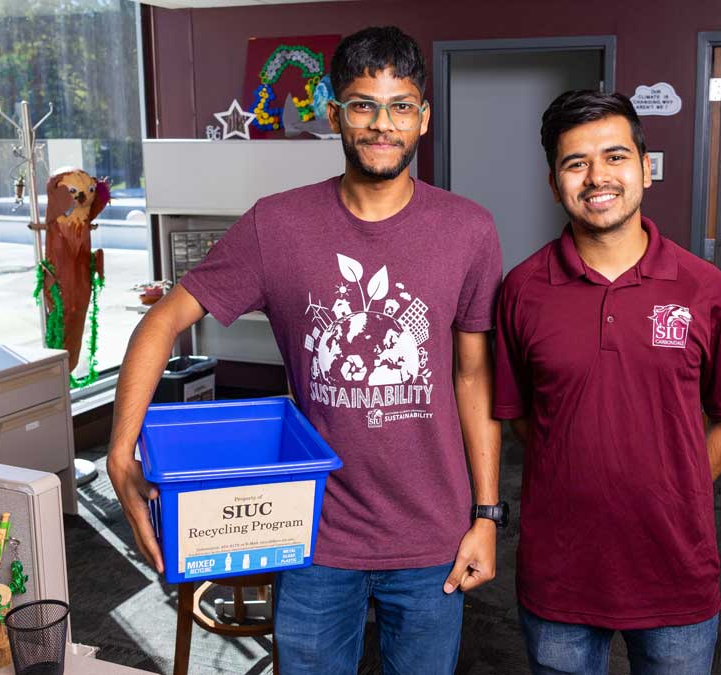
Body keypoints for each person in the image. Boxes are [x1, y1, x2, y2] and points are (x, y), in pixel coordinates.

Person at [107, 26, 505, 674]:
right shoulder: (277, 226)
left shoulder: (468, 230)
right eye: (363, 105)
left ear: (423, 117)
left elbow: (473, 376)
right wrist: (120, 450)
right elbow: (164, 319)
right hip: (313, 533)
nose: (384, 124)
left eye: (401, 105)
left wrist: (487, 513)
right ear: (334, 114)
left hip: (434, 531)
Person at [493, 90, 721, 674]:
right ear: (554, 181)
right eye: (575, 163)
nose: (597, 177)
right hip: (559, 573)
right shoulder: (522, 290)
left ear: (644, 167)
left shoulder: (704, 289)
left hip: (676, 572)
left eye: (615, 157)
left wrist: (674, 485)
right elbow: (517, 417)